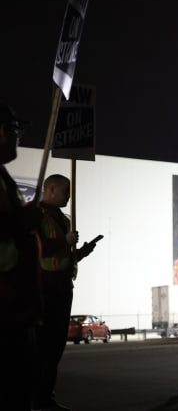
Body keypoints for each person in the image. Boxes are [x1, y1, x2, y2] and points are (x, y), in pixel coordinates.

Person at [33, 174, 98, 411]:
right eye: (65, 191)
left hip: (63, 288)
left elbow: (65, 257)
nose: (69, 196)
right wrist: (64, 241)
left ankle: (45, 397)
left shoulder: (64, 220)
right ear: (50, 189)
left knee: (56, 347)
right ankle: (36, 398)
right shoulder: (36, 215)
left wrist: (82, 252)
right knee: (42, 346)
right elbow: (36, 248)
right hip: (44, 288)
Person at [0, 103, 42, 411]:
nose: (16, 137)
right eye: (15, 129)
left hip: (14, 306)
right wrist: (20, 221)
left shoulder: (3, 177)